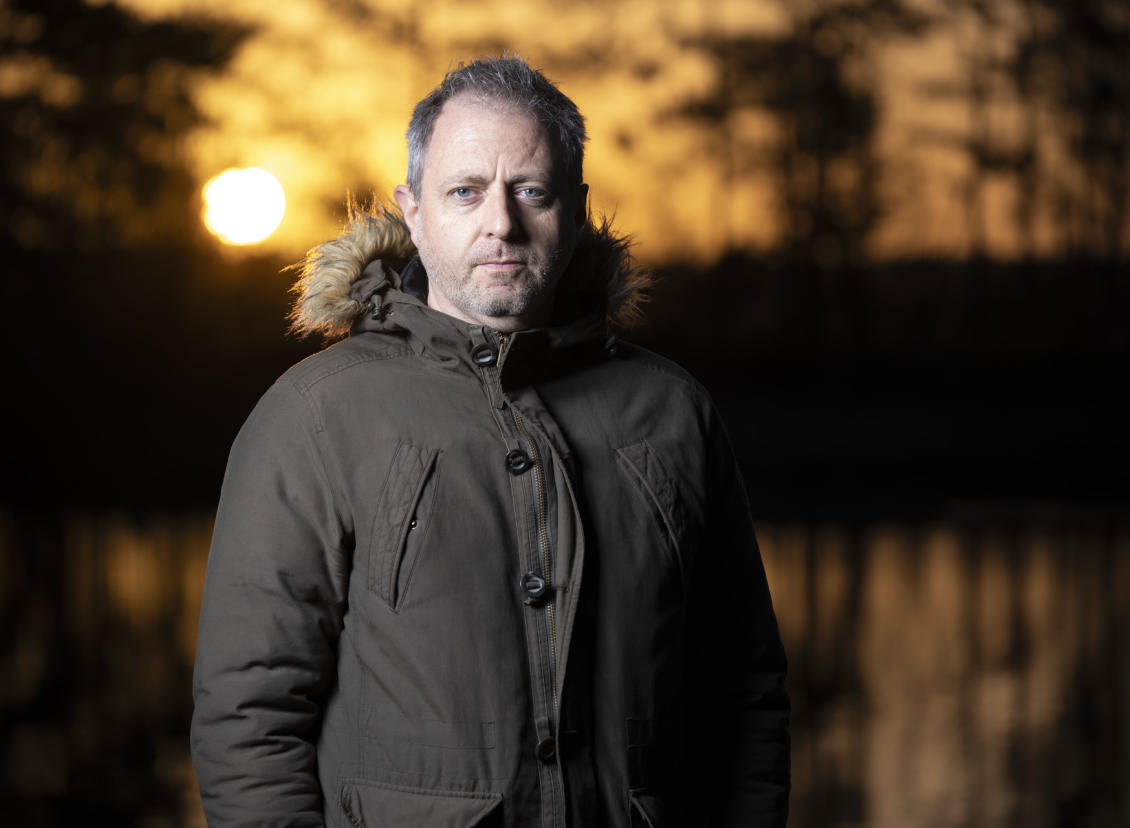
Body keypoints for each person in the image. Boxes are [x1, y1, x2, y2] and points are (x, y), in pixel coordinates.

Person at [191, 56, 789, 827]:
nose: (500, 223)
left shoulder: (673, 412)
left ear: (574, 210)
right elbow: (250, 715)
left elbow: (744, 692)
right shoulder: (312, 416)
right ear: (412, 210)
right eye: (465, 191)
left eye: (530, 191)